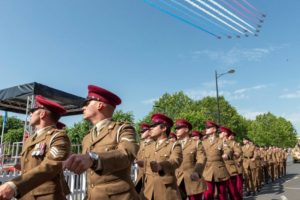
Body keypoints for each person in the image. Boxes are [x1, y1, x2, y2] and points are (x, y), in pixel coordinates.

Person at [64, 85, 139, 200]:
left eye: (87, 103)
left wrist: (93, 158)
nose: (83, 107)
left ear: (100, 105)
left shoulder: (122, 129)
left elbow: (127, 154)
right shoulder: (87, 137)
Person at [0, 95, 71, 200]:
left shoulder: (58, 136)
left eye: (33, 110)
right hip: (26, 194)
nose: (30, 114)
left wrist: (13, 185)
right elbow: (31, 164)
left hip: (46, 196)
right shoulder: (30, 139)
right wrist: (15, 165)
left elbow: (51, 166)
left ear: (42, 114)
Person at [142, 113, 182, 200]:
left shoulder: (174, 145)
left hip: (165, 190)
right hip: (148, 190)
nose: (150, 128)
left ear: (163, 128)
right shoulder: (148, 146)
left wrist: (161, 166)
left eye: (154, 126)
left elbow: (175, 161)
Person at [175, 119, 206, 200]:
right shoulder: (174, 144)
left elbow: (201, 158)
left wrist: (197, 172)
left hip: (192, 178)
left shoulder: (196, 143)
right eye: (176, 129)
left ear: (186, 129)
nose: (176, 130)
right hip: (177, 179)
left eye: (179, 128)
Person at [202, 121, 230, 200]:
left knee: (222, 193)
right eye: (206, 128)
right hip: (207, 170)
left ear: (214, 129)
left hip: (219, 169)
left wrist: (226, 154)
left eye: (208, 128)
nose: (206, 129)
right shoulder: (203, 142)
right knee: (208, 193)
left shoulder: (221, 141)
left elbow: (227, 149)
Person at [219, 126, 241, 200]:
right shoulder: (216, 142)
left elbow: (238, 151)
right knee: (221, 192)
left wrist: (236, 153)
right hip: (218, 169)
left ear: (225, 134)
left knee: (232, 190)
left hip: (229, 168)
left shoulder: (232, 143)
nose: (218, 134)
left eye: (220, 133)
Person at [135, 123, 153, 194]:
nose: (141, 133)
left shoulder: (154, 143)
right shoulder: (140, 144)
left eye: (143, 131)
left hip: (149, 175)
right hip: (140, 174)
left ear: (149, 132)